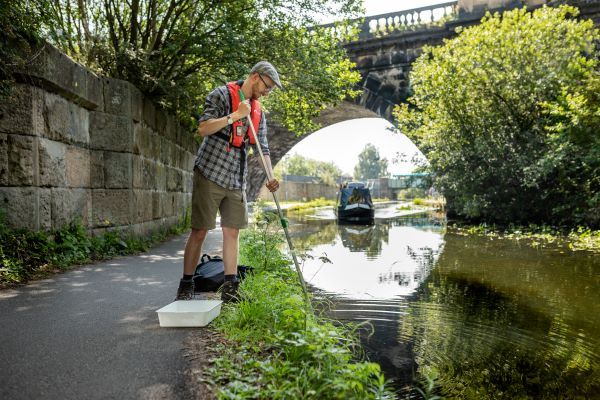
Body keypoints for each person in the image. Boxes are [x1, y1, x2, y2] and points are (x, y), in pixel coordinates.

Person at [175, 61, 282, 302]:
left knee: (232, 232)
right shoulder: (221, 95)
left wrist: (270, 176)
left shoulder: (258, 113)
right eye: (267, 87)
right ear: (255, 77)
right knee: (200, 231)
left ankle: (231, 289)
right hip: (210, 172)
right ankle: (186, 284)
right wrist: (235, 116)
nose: (268, 92)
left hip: (236, 177)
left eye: (271, 90)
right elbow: (203, 128)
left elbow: (262, 148)